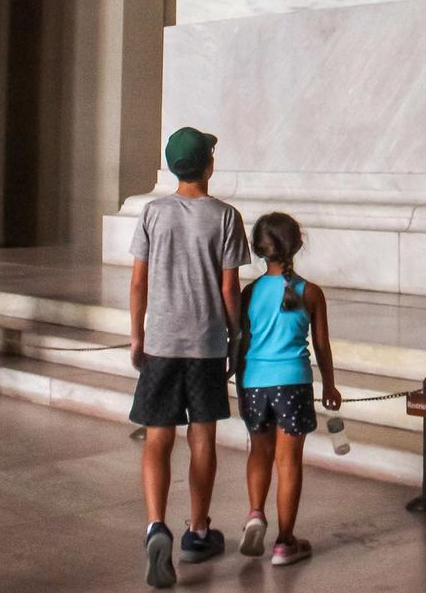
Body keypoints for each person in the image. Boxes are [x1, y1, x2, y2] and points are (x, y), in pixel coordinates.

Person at [128, 126, 251, 589]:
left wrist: (137, 336)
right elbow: (229, 288)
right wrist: (236, 335)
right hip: (204, 344)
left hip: (161, 342)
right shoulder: (225, 216)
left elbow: (138, 282)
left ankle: (155, 525)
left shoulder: (153, 213)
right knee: (203, 436)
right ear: (209, 166)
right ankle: (198, 531)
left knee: (157, 437)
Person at [235, 211, 341, 567]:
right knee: (288, 461)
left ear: (258, 249)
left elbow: (242, 342)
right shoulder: (310, 292)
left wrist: (241, 383)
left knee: (258, 453)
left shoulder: (249, 292)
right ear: (296, 245)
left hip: (254, 382)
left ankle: (255, 513)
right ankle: (284, 542)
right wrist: (329, 385)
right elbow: (322, 345)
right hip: (293, 383)